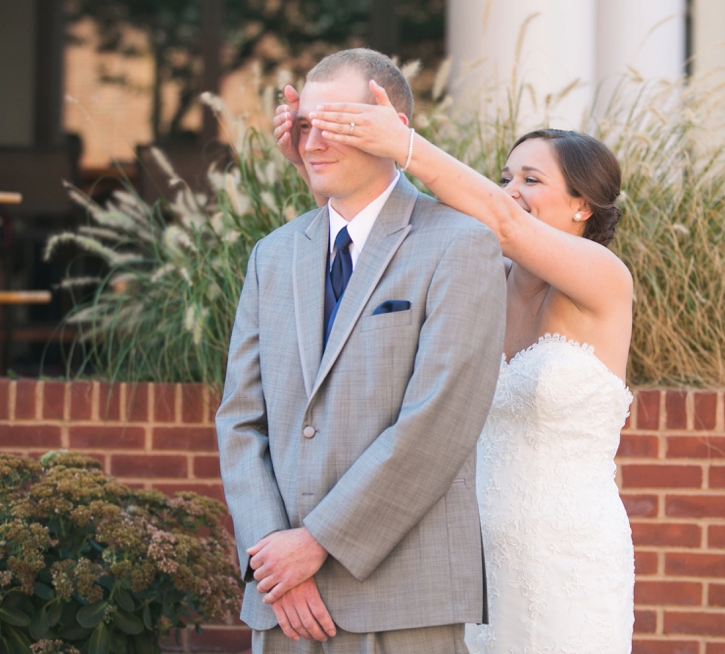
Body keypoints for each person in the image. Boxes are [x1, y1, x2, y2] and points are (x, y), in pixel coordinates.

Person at [273, 77, 635, 652]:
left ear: (582, 205)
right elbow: (387, 232)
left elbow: (506, 223)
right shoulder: (478, 271)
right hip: (470, 552)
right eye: (505, 178)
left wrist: (402, 141)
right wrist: (320, 160)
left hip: (569, 554)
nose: (510, 191)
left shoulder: (605, 280)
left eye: (532, 179)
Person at [217, 48, 506, 654]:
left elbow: (440, 419)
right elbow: (241, 420)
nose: (312, 142)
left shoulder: (460, 245)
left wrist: (316, 542)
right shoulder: (271, 255)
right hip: (284, 605)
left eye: (336, 123)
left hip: (402, 597)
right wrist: (275, 559)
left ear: (387, 125)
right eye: (304, 125)